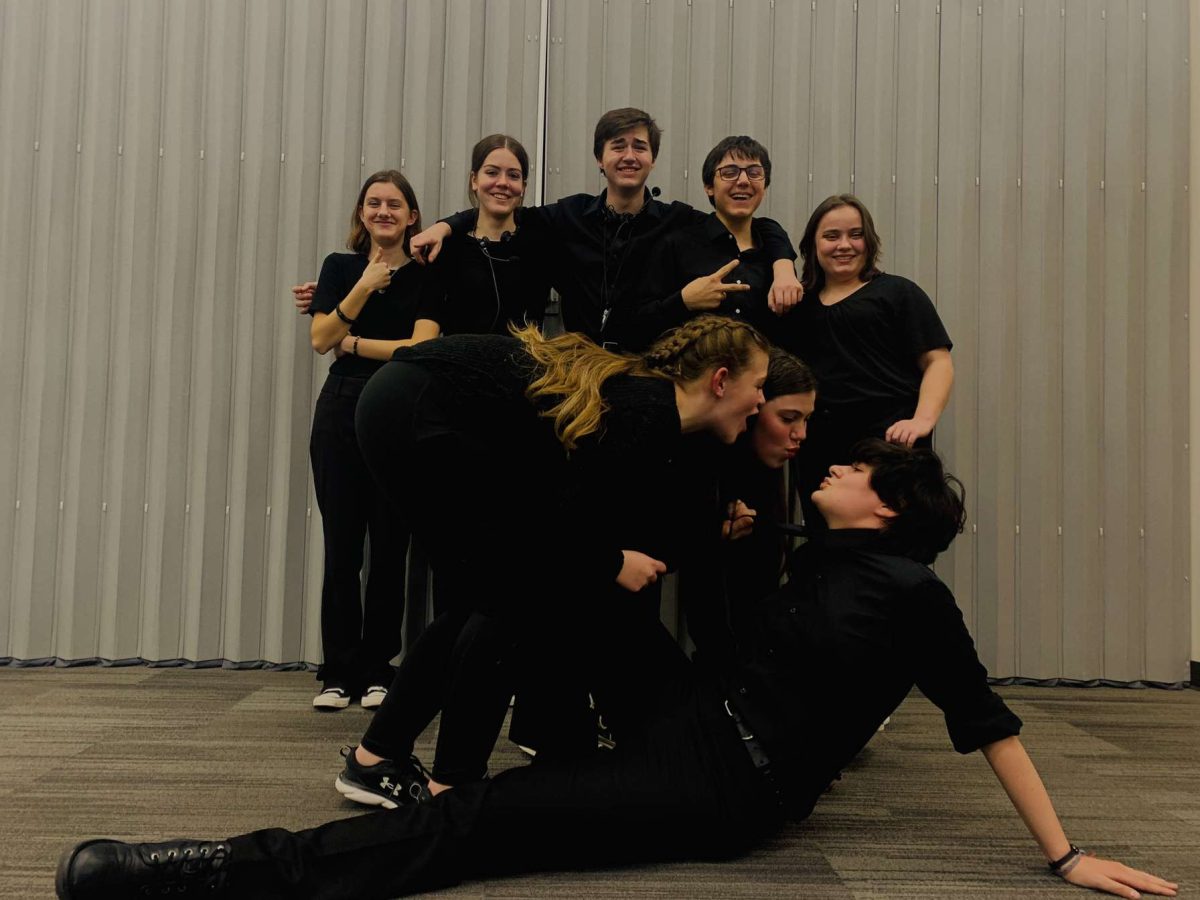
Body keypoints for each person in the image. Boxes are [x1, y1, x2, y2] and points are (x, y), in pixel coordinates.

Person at [55, 441, 1177, 900]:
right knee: (569, 586)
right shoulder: (821, 552)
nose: (828, 463)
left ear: (884, 502)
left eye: (850, 465)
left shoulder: (917, 598)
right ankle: (425, 754)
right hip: (692, 714)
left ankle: (198, 870)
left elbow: (987, 722)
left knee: (483, 831)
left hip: (724, 786)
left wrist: (1067, 854)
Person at [332, 315, 769, 804]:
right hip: (420, 406)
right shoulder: (648, 413)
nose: (762, 402)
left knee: (490, 596)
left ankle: (379, 758)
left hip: (405, 401)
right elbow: (554, 522)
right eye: (759, 386)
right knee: (511, 596)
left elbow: (567, 516)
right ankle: (452, 788)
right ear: (721, 380)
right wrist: (610, 563)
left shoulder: (648, 405)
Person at [410, 108, 802, 347]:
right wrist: (446, 226)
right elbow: (507, 209)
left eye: (639, 146)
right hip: (579, 367)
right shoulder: (568, 217)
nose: (629, 155)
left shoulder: (678, 222)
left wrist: (784, 264)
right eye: (618, 145)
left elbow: (748, 220)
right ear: (600, 158)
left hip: (647, 368)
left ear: (652, 160)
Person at [305, 170, 429, 711]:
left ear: (412, 216)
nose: (383, 212)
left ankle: (380, 667)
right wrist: (361, 289)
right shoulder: (340, 268)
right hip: (339, 414)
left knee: (389, 549)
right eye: (374, 204)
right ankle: (338, 671)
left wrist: (351, 341)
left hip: (398, 415)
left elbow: (419, 348)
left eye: (394, 204)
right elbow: (318, 340)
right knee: (342, 550)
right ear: (361, 214)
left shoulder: (426, 275)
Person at [787, 194, 954, 536]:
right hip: (820, 447)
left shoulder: (898, 293)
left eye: (855, 234)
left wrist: (921, 420)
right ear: (813, 245)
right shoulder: (799, 307)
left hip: (888, 445)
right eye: (831, 236)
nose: (844, 245)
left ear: (870, 241)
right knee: (825, 541)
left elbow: (938, 362)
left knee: (892, 542)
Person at [617, 135, 798, 351]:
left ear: (765, 186)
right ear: (708, 187)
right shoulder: (676, 245)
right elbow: (633, 327)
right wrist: (683, 301)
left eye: (754, 172)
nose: (743, 181)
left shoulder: (775, 253)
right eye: (729, 172)